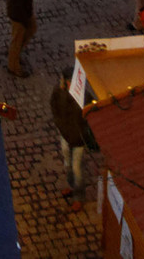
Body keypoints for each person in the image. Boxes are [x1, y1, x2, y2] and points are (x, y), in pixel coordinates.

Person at [50, 72, 96, 202]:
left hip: (78, 139)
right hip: (65, 134)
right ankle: (71, 186)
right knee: (68, 164)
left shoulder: (84, 97)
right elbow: (54, 107)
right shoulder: (58, 92)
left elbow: (93, 111)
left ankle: (79, 197)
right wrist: (60, 124)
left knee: (76, 168)